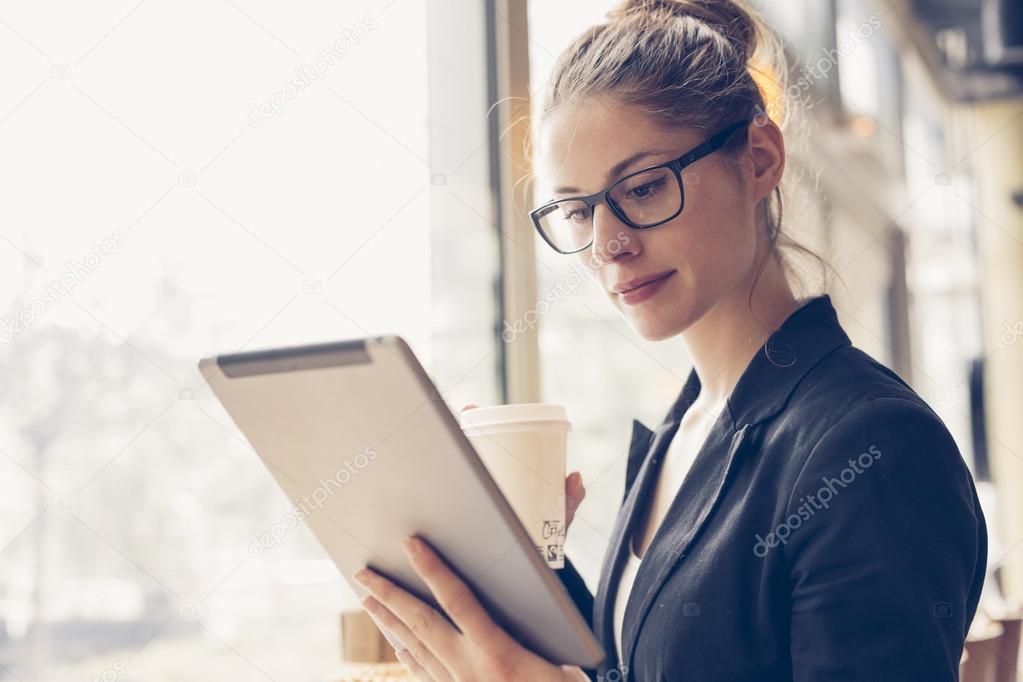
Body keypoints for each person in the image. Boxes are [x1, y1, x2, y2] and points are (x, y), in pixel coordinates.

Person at [353, 0, 988, 679]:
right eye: (576, 210)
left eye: (644, 187)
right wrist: (520, 571)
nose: (608, 245)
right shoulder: (682, 431)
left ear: (760, 159)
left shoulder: (869, 445)